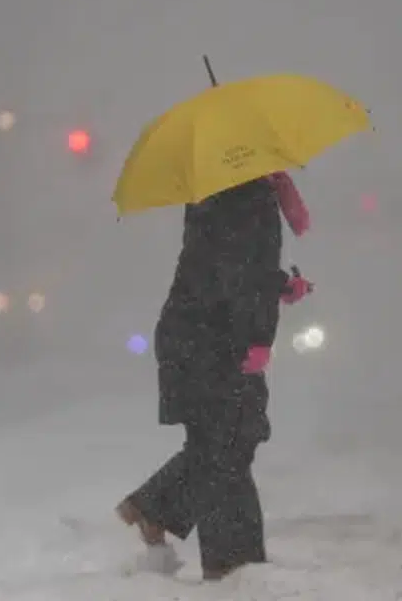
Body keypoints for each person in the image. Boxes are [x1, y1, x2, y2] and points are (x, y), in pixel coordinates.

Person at [116, 171, 313, 581]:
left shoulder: (229, 188)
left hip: (203, 335)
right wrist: (259, 333)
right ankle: (231, 566)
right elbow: (236, 272)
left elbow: (233, 266)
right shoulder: (244, 193)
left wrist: (280, 286)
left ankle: (157, 509)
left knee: (228, 440)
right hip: (211, 340)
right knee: (228, 443)